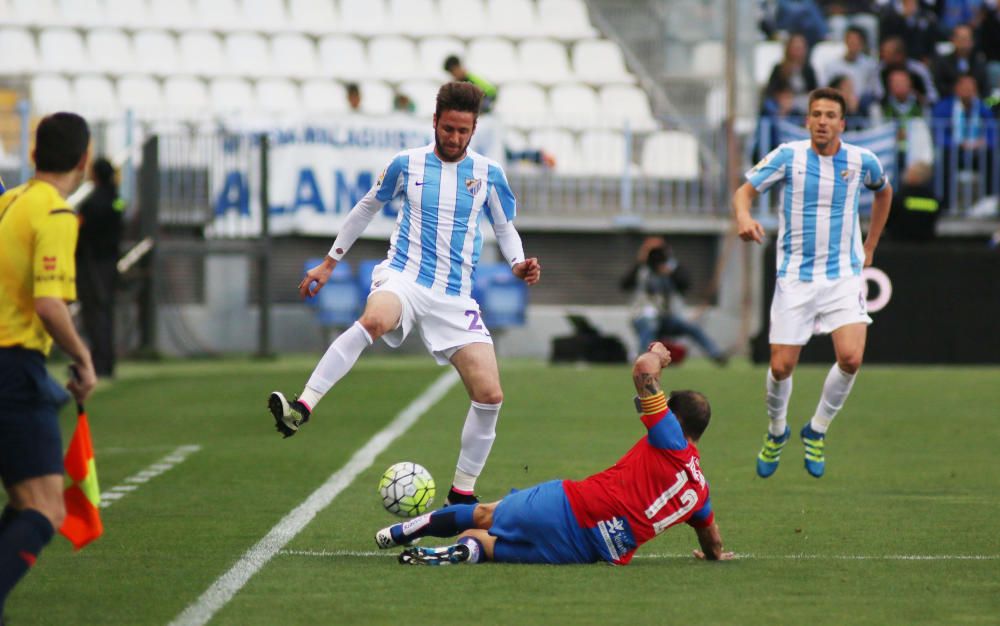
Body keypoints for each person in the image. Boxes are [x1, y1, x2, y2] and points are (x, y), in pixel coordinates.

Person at [267, 82, 541, 506]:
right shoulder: (406, 164)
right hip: (405, 278)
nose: (453, 138)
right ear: (434, 122)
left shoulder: (489, 174)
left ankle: (461, 494)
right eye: (447, 128)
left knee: (490, 397)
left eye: (462, 131)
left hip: (455, 297)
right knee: (374, 319)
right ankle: (302, 406)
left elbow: (504, 228)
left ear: (474, 129)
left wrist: (517, 263)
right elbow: (365, 207)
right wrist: (329, 261)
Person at [374, 342, 732, 566]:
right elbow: (711, 536)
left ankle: (397, 533)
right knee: (487, 545)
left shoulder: (668, 436)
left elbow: (643, 370)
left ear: (673, 414)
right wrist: (715, 556)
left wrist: (657, 353)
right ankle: (458, 554)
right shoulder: (700, 492)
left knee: (484, 515)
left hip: (573, 506)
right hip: (593, 550)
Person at [731, 88, 893, 479]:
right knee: (781, 366)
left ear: (842, 123)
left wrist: (870, 244)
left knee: (851, 357)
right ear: (807, 121)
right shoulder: (789, 155)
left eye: (830, 115)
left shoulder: (861, 161)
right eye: (816, 113)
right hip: (796, 278)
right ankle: (776, 431)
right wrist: (743, 218)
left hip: (842, 276)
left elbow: (884, 192)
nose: (822, 121)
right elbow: (744, 192)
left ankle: (816, 430)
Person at [0, 112, 97, 616]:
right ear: (83, 159)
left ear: (34, 154)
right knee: (45, 508)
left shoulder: (9, 200)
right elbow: (48, 304)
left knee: (23, 499)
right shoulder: (56, 214)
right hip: (13, 367)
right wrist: (83, 359)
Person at [620, 237, 728, 365]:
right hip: (642, 316)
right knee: (649, 326)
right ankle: (645, 360)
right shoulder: (641, 269)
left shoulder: (670, 268)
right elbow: (624, 285)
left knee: (691, 328)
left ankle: (715, 354)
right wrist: (639, 262)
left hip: (665, 318)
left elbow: (685, 285)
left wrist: (670, 271)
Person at [75, 156, 124, 378]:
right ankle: (107, 360)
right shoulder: (116, 199)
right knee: (106, 313)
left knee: (94, 313)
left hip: (92, 264)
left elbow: (81, 232)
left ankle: (98, 362)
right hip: (110, 262)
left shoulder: (92, 203)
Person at [931, 73, 997, 206]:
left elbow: (993, 133)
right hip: (954, 151)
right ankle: (945, 203)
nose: (967, 90)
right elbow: (938, 134)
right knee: (944, 158)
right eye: (964, 86)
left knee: (993, 157)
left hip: (978, 152)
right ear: (956, 88)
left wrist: (982, 142)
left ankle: (990, 201)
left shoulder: (983, 107)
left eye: (971, 87)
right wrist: (959, 143)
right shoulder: (944, 107)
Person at [822, 26, 881, 105]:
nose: (853, 43)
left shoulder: (870, 65)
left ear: (862, 43)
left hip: (863, 106)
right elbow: (827, 91)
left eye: (857, 41)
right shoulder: (832, 65)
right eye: (851, 40)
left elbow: (877, 92)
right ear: (845, 41)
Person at [932, 23, 990, 99]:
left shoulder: (979, 62)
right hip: (949, 102)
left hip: (975, 103)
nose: (964, 43)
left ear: (972, 42)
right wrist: (959, 91)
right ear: (953, 40)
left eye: (967, 39)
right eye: (961, 39)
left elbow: (985, 88)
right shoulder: (942, 62)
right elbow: (938, 85)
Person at [765, 33, 819, 114]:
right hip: (783, 100)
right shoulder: (779, 68)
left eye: (800, 48)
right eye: (795, 48)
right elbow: (771, 90)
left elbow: (814, 89)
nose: (797, 51)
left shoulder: (808, 69)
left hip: (803, 100)